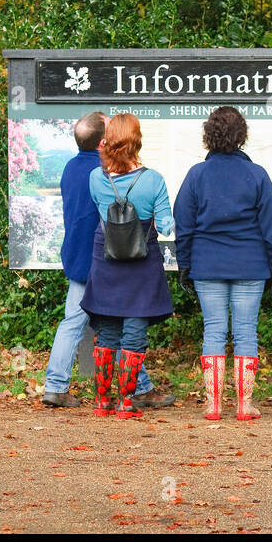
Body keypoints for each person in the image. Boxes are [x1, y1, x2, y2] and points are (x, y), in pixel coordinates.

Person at [42, 111, 172, 410]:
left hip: (97, 259)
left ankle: (83, 393)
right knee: (132, 325)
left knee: (99, 327)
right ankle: (131, 397)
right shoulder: (147, 178)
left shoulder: (85, 173)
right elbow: (161, 223)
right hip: (128, 260)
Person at [174, 106, 272, 421]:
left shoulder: (197, 175)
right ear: (242, 136)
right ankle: (244, 405)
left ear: (208, 135)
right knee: (246, 332)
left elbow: (184, 223)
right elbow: (271, 228)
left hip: (207, 265)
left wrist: (185, 264)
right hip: (250, 265)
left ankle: (213, 406)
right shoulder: (257, 174)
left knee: (213, 331)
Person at [80, 112, 175, 419]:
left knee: (107, 328)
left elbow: (100, 209)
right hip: (141, 260)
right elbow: (167, 226)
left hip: (105, 257)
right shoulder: (153, 180)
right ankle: (126, 403)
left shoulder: (96, 178)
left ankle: (102, 401)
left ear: (107, 142)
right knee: (134, 330)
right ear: (137, 141)